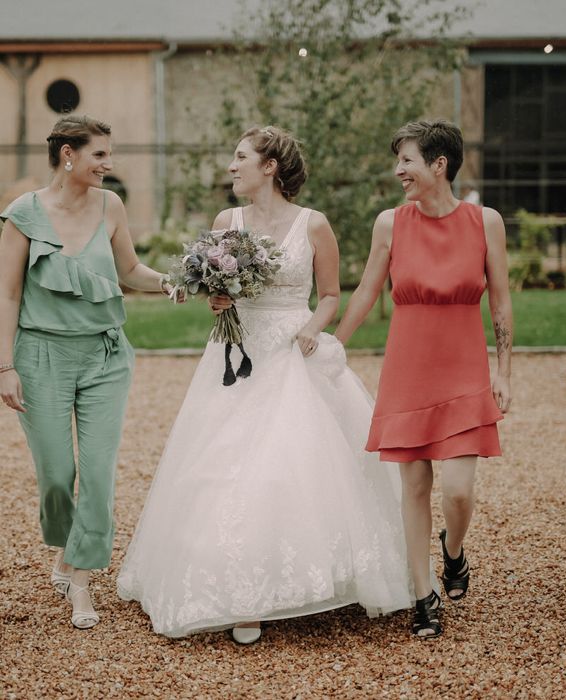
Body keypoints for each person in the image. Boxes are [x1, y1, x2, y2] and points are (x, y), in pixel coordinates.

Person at [117, 125, 412, 643]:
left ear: (270, 166)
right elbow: (218, 285)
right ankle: (235, 591)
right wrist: (219, 299)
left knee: (285, 468)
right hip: (234, 353)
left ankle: (286, 584)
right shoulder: (226, 221)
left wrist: (311, 329)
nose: (232, 167)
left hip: (291, 352)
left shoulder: (314, 225)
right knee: (220, 465)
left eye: (240, 157)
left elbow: (328, 295)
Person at [335, 120, 512, 638]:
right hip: (408, 370)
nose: (398, 171)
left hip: (463, 369)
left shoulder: (486, 222)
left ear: (439, 165)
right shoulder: (390, 223)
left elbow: (500, 300)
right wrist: (333, 342)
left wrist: (504, 370)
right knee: (413, 483)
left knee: (457, 491)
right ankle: (422, 593)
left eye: (407, 160)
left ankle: (452, 552)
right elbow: (368, 290)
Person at [0, 115, 174, 629]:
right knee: (57, 476)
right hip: (40, 357)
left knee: (96, 474)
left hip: (105, 355)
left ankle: (80, 579)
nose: (109, 164)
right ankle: (67, 547)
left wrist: (175, 282)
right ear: (68, 155)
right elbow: (7, 294)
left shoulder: (111, 205)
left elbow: (128, 271)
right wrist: (5, 365)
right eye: (99, 154)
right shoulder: (22, 215)